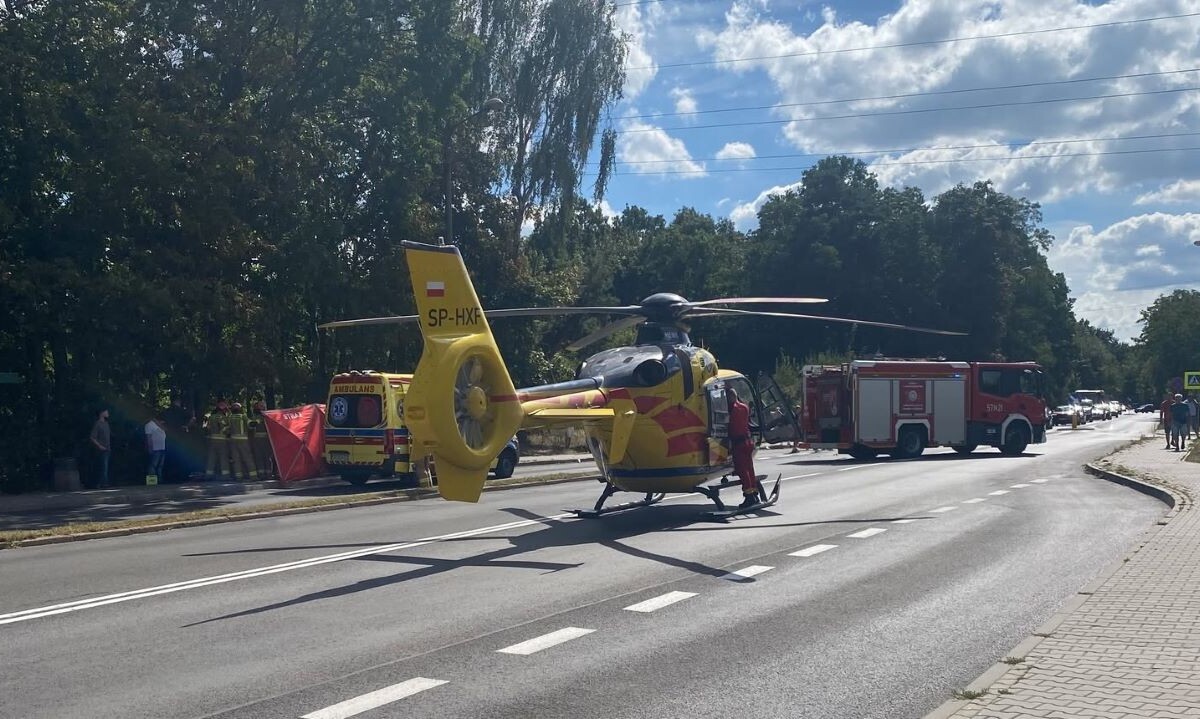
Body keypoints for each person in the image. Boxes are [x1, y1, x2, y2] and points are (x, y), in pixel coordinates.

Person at [727, 388, 759, 510]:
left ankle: (749, 495)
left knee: (742, 470)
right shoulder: (745, 407)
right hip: (748, 441)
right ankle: (754, 493)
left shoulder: (732, 409)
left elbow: (729, 425)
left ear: (730, 397)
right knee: (750, 468)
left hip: (738, 443)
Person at [89, 408, 112, 488]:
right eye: (106, 411)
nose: (108, 413)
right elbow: (92, 437)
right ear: (102, 413)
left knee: (105, 466)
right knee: (103, 466)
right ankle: (103, 483)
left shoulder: (106, 423)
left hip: (108, 448)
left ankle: (101, 483)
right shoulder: (97, 424)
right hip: (101, 449)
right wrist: (99, 446)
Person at [144, 414, 167, 485]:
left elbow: (165, 430)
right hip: (155, 448)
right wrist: (150, 448)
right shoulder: (148, 425)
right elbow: (149, 438)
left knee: (160, 465)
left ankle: (159, 479)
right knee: (153, 465)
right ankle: (152, 480)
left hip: (162, 447)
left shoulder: (159, 425)